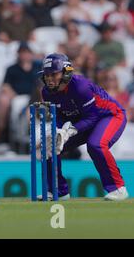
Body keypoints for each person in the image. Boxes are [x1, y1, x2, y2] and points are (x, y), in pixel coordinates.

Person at [39, 53, 128, 201]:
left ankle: (118, 188)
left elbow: (92, 117)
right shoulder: (46, 93)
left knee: (96, 145)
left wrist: (70, 130)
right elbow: (60, 115)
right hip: (82, 121)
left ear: (65, 73)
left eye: (53, 74)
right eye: (47, 75)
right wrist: (58, 131)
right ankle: (58, 191)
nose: (49, 79)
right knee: (50, 147)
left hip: (109, 116)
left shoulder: (80, 87)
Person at [0, 42, 40, 142]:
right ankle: (2, 131)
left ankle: (30, 136)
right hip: (17, 95)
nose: (25, 55)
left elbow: (43, 83)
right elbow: (5, 86)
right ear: (18, 54)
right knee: (3, 100)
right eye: (22, 52)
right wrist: (13, 95)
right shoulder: (12, 69)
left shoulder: (38, 66)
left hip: (35, 96)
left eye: (27, 52)